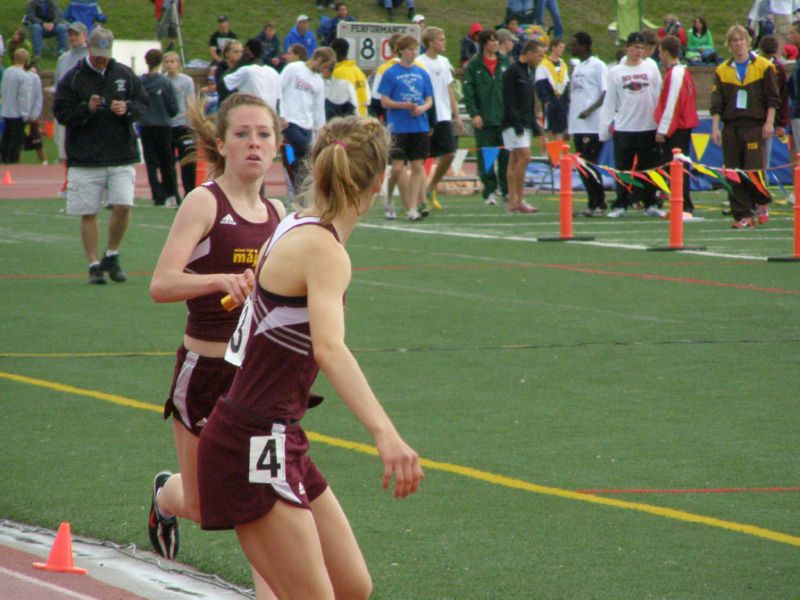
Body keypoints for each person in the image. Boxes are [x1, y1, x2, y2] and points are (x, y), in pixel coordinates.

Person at [196, 113, 423, 599]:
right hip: (253, 441)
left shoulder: (294, 224)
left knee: (352, 587)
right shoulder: (324, 250)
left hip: (276, 434)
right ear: (380, 180)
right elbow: (329, 347)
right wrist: (388, 436)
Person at [148, 93, 286, 600]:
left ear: (277, 144)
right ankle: (167, 495)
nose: (254, 143)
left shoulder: (277, 211)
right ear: (222, 143)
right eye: (243, 134)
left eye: (264, 134)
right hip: (204, 374)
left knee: (263, 501)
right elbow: (161, 284)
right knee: (209, 507)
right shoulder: (205, 201)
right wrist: (219, 280)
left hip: (256, 382)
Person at [53, 27, 148, 284]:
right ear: (89, 50)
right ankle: (94, 263)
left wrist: (127, 108)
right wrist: (87, 109)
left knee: (124, 204)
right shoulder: (73, 78)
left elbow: (143, 104)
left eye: (105, 55)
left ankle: (112, 253)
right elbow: (61, 113)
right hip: (85, 156)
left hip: (121, 153)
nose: (102, 60)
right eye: (97, 55)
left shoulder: (124, 74)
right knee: (89, 211)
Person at [711, 25, 779, 228]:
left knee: (753, 169)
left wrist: (769, 122)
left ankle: (760, 201)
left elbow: (773, 98)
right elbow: (717, 103)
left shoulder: (764, 67)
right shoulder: (722, 70)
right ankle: (742, 214)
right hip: (731, 126)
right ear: (729, 44)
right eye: (734, 41)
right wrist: (715, 127)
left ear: (748, 42)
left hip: (754, 125)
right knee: (733, 171)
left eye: (741, 40)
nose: (738, 44)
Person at [599, 31, 663, 218]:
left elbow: (659, 94)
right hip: (625, 127)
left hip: (648, 127)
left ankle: (650, 203)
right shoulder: (616, 72)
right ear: (627, 48)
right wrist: (604, 128)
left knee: (648, 169)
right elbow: (610, 101)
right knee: (623, 169)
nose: (638, 51)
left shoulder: (651, 68)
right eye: (635, 47)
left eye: (642, 48)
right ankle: (621, 204)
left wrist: (661, 125)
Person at [378, 34, 434, 221]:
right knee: (396, 168)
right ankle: (389, 199)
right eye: (410, 49)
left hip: (419, 125)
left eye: (415, 49)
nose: (413, 52)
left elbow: (428, 99)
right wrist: (403, 105)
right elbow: (384, 101)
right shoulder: (391, 73)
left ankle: (412, 207)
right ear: (401, 50)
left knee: (418, 166)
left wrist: (422, 108)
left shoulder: (422, 73)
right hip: (398, 127)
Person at [417, 26, 465, 210]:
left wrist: (457, 115)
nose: (444, 42)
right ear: (430, 42)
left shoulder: (444, 62)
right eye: (441, 39)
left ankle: (432, 186)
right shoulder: (420, 62)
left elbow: (448, 89)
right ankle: (418, 199)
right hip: (427, 114)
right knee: (421, 159)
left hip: (444, 114)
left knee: (450, 153)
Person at [463, 29, 510, 206]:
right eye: (491, 41)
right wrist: (474, 113)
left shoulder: (505, 62)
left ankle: (506, 190)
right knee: (487, 157)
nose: (495, 44)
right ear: (484, 44)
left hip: (504, 118)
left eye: (496, 40)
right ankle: (489, 191)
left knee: (506, 156)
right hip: (484, 119)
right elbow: (469, 93)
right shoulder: (474, 65)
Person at [654, 35, 699, 219]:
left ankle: (685, 206)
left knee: (678, 167)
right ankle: (679, 203)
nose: (659, 55)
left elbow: (672, 103)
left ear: (666, 52)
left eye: (660, 52)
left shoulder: (677, 73)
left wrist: (663, 129)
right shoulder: (676, 72)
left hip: (678, 127)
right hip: (678, 126)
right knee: (674, 168)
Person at [280, 47, 334, 197]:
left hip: (307, 127)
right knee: (293, 157)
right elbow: (279, 90)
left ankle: (300, 193)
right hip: (290, 122)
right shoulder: (294, 68)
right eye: (324, 66)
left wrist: (321, 131)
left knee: (304, 161)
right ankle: (295, 192)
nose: (324, 70)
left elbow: (318, 109)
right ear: (318, 60)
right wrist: (280, 115)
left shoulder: (318, 81)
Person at [567, 31, 608, 217]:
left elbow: (605, 92)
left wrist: (589, 110)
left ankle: (599, 203)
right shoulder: (577, 67)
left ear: (584, 46)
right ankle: (592, 203)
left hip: (592, 126)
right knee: (581, 166)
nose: (571, 48)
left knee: (590, 164)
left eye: (574, 44)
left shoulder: (598, 65)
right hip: (578, 125)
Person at [503, 40, 545, 214]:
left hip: (525, 121)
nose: (540, 59)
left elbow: (528, 101)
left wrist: (533, 124)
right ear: (529, 53)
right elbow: (508, 100)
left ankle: (513, 201)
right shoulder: (512, 72)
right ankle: (519, 198)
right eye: (539, 55)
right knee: (525, 158)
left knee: (514, 160)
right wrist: (517, 123)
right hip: (513, 123)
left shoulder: (529, 71)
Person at [139, 48, 179, 207]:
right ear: (160, 62)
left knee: (151, 162)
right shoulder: (165, 82)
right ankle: (171, 193)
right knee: (167, 162)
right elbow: (173, 107)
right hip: (163, 125)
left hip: (146, 125)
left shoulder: (140, 82)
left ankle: (157, 194)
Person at [163, 50, 196, 201]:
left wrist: (192, 126)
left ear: (178, 64)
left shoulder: (187, 81)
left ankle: (189, 192)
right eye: (167, 62)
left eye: (172, 61)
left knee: (188, 160)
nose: (169, 65)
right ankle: (171, 193)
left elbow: (191, 102)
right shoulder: (162, 81)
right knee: (168, 161)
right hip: (167, 125)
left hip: (183, 125)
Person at [223, 39, 282, 113]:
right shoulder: (274, 72)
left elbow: (225, 80)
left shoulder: (247, 71)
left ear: (248, 53)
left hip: (252, 116)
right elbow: (278, 100)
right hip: (270, 118)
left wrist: (241, 60)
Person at [1, 49, 33, 165]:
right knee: (16, 140)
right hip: (17, 113)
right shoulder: (24, 76)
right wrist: (25, 113)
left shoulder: (7, 72)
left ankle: (3, 158)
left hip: (6, 109)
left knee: (6, 137)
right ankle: (13, 161)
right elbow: (23, 96)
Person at [534, 37, 570, 141]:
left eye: (563, 47)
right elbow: (539, 84)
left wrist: (566, 99)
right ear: (553, 48)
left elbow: (566, 82)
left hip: (561, 100)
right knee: (550, 129)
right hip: (550, 100)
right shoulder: (543, 65)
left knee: (559, 129)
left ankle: (557, 155)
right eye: (560, 47)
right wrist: (546, 100)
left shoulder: (563, 64)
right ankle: (550, 155)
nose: (562, 50)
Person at [326, 38, 366, 119]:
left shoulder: (338, 73)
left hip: (349, 122)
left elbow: (334, 103)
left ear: (334, 52)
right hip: (363, 118)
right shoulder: (358, 71)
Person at [23, 62, 47, 164]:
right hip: (20, 116)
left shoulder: (37, 83)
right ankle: (15, 164)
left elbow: (38, 99)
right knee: (18, 142)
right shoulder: (23, 81)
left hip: (32, 117)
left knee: (37, 140)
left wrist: (34, 114)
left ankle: (44, 162)